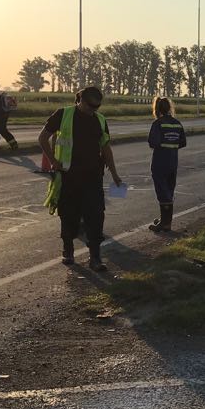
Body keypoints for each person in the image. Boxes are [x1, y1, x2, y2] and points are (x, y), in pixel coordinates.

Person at [39, 86, 123, 272]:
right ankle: (68, 249)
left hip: (93, 178)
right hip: (68, 177)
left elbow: (106, 148)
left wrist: (115, 174)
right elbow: (43, 138)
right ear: (80, 100)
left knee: (95, 217)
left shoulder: (100, 120)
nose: (92, 111)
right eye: (89, 107)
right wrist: (53, 161)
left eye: (96, 108)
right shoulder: (63, 115)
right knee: (69, 215)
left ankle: (95, 257)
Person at [147, 96, 186, 233]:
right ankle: (166, 221)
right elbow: (183, 142)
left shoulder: (158, 124)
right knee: (169, 190)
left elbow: (153, 142)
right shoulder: (177, 123)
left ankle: (165, 224)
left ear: (157, 109)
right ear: (170, 108)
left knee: (162, 192)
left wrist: (163, 144)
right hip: (173, 161)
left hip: (160, 161)